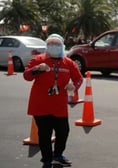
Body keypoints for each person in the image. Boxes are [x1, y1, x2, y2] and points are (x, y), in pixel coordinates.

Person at [23, 34, 83, 168]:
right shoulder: (38, 60)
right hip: (40, 104)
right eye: (51, 44)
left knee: (63, 131)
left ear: (62, 46)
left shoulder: (69, 62)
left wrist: (74, 86)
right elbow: (26, 76)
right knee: (44, 133)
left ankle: (58, 155)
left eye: (57, 44)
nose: (54, 46)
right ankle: (47, 159)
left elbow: (79, 79)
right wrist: (37, 69)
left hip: (59, 105)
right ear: (46, 46)